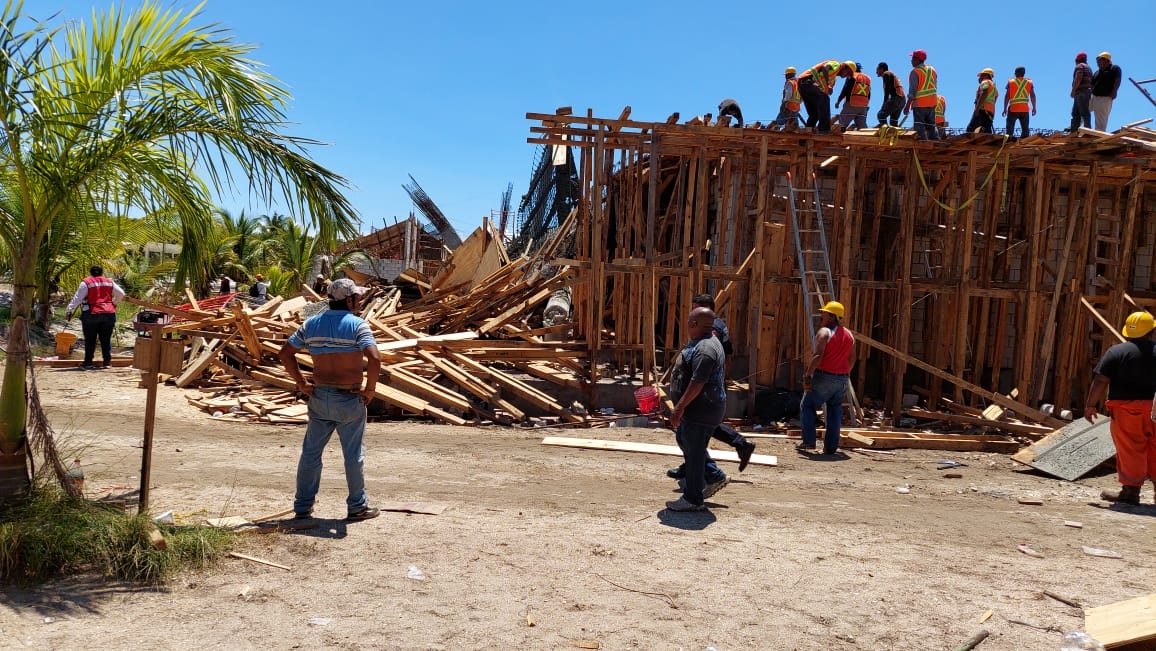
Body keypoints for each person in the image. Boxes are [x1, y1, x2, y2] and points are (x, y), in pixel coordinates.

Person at [278, 278, 382, 521]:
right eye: (357, 297)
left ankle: (303, 506)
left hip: (320, 396)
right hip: (349, 398)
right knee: (353, 455)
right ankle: (357, 506)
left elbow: (285, 353)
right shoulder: (358, 325)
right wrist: (370, 390)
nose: (359, 301)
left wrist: (301, 383)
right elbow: (375, 359)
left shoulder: (311, 324)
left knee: (311, 454)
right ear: (349, 300)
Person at [666, 294, 756, 481]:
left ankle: (711, 474)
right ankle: (739, 444)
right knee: (697, 430)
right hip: (707, 387)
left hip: (704, 389)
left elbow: (703, 364)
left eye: (695, 309)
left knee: (693, 433)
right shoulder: (715, 327)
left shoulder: (711, 331)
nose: (691, 315)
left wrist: (680, 406)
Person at [1083, 311, 1156, 505]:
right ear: (1152, 331)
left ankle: (1130, 493)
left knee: (1130, 449)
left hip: (1127, 410)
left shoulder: (1116, 352)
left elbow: (1100, 380)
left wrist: (1090, 405)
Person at [665, 306, 729, 512]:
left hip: (701, 409)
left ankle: (693, 498)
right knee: (685, 440)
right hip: (699, 408)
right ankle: (713, 476)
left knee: (693, 453)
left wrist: (679, 408)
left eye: (688, 321)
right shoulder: (704, 342)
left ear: (694, 324)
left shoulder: (705, 349)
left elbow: (697, 382)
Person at [798, 301, 856, 456]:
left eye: (824, 312)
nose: (821, 314)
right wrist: (844, 374)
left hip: (824, 377)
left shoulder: (825, 332)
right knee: (835, 411)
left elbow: (817, 355)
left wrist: (808, 374)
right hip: (842, 379)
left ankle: (809, 441)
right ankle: (831, 447)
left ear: (832, 316)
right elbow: (852, 359)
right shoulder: (849, 335)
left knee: (808, 406)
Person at [65, 265, 125, 370]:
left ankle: (88, 362)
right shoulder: (109, 282)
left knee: (90, 339)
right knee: (106, 339)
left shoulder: (86, 282)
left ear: (91, 272)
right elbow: (121, 294)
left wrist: (69, 310)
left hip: (91, 314)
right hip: (108, 313)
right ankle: (107, 362)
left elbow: (78, 298)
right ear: (102, 272)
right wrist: (114, 303)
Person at [797, 60, 855, 134]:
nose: (847, 75)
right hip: (807, 80)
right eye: (848, 72)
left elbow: (823, 92)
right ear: (845, 67)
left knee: (815, 114)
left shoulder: (833, 80)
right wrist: (827, 85)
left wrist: (828, 90)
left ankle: (805, 136)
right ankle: (824, 129)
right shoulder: (837, 65)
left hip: (803, 85)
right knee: (824, 99)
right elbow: (825, 68)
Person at [902, 50, 939, 140]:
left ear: (917, 59)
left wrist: (907, 106)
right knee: (931, 126)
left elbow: (912, 92)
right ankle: (936, 143)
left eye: (913, 58)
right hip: (932, 103)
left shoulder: (915, 72)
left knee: (919, 128)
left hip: (920, 104)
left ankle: (923, 146)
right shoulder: (932, 70)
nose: (911, 61)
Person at [1091, 52, 1122, 132]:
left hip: (1104, 98)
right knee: (1082, 110)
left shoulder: (1114, 68)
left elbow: (1117, 80)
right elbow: (1092, 84)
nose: (1097, 63)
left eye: (1099, 61)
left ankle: (1098, 135)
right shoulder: (1097, 72)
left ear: (1106, 60)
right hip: (1094, 97)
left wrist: (1114, 92)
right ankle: (1075, 129)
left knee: (1101, 120)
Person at [1002, 66, 1036, 138]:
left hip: (1013, 109)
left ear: (1016, 73)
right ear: (1024, 73)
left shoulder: (1011, 82)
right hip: (1024, 109)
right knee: (1025, 129)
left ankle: (1009, 142)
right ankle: (1024, 142)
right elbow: (1032, 95)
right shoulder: (1029, 82)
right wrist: (1034, 107)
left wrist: (1004, 108)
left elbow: (1007, 96)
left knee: (1010, 129)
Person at [836, 62, 871, 130]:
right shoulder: (867, 78)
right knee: (862, 127)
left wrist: (838, 101)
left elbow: (846, 89)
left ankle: (837, 139)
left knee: (842, 124)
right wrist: (866, 105)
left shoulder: (852, 75)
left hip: (852, 103)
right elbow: (869, 93)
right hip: (863, 106)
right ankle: (865, 139)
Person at [966, 68, 998, 134]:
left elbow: (984, 93)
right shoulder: (994, 87)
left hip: (982, 110)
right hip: (990, 112)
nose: (979, 78)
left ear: (986, 75)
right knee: (987, 131)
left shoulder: (985, 82)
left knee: (970, 129)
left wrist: (977, 109)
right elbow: (994, 100)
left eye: (981, 75)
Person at [875, 62, 906, 127]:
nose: (876, 72)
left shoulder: (886, 74)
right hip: (902, 100)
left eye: (877, 69)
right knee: (893, 122)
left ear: (882, 69)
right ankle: (894, 134)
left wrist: (885, 102)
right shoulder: (891, 74)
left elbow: (887, 89)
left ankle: (885, 130)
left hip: (896, 98)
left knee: (881, 115)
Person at [1069, 52, 1094, 133]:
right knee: (1076, 113)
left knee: (1084, 113)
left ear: (1077, 60)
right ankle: (1074, 132)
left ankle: (1087, 132)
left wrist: (1073, 90)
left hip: (1081, 92)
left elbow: (1078, 78)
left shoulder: (1080, 66)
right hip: (1086, 92)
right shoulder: (1089, 68)